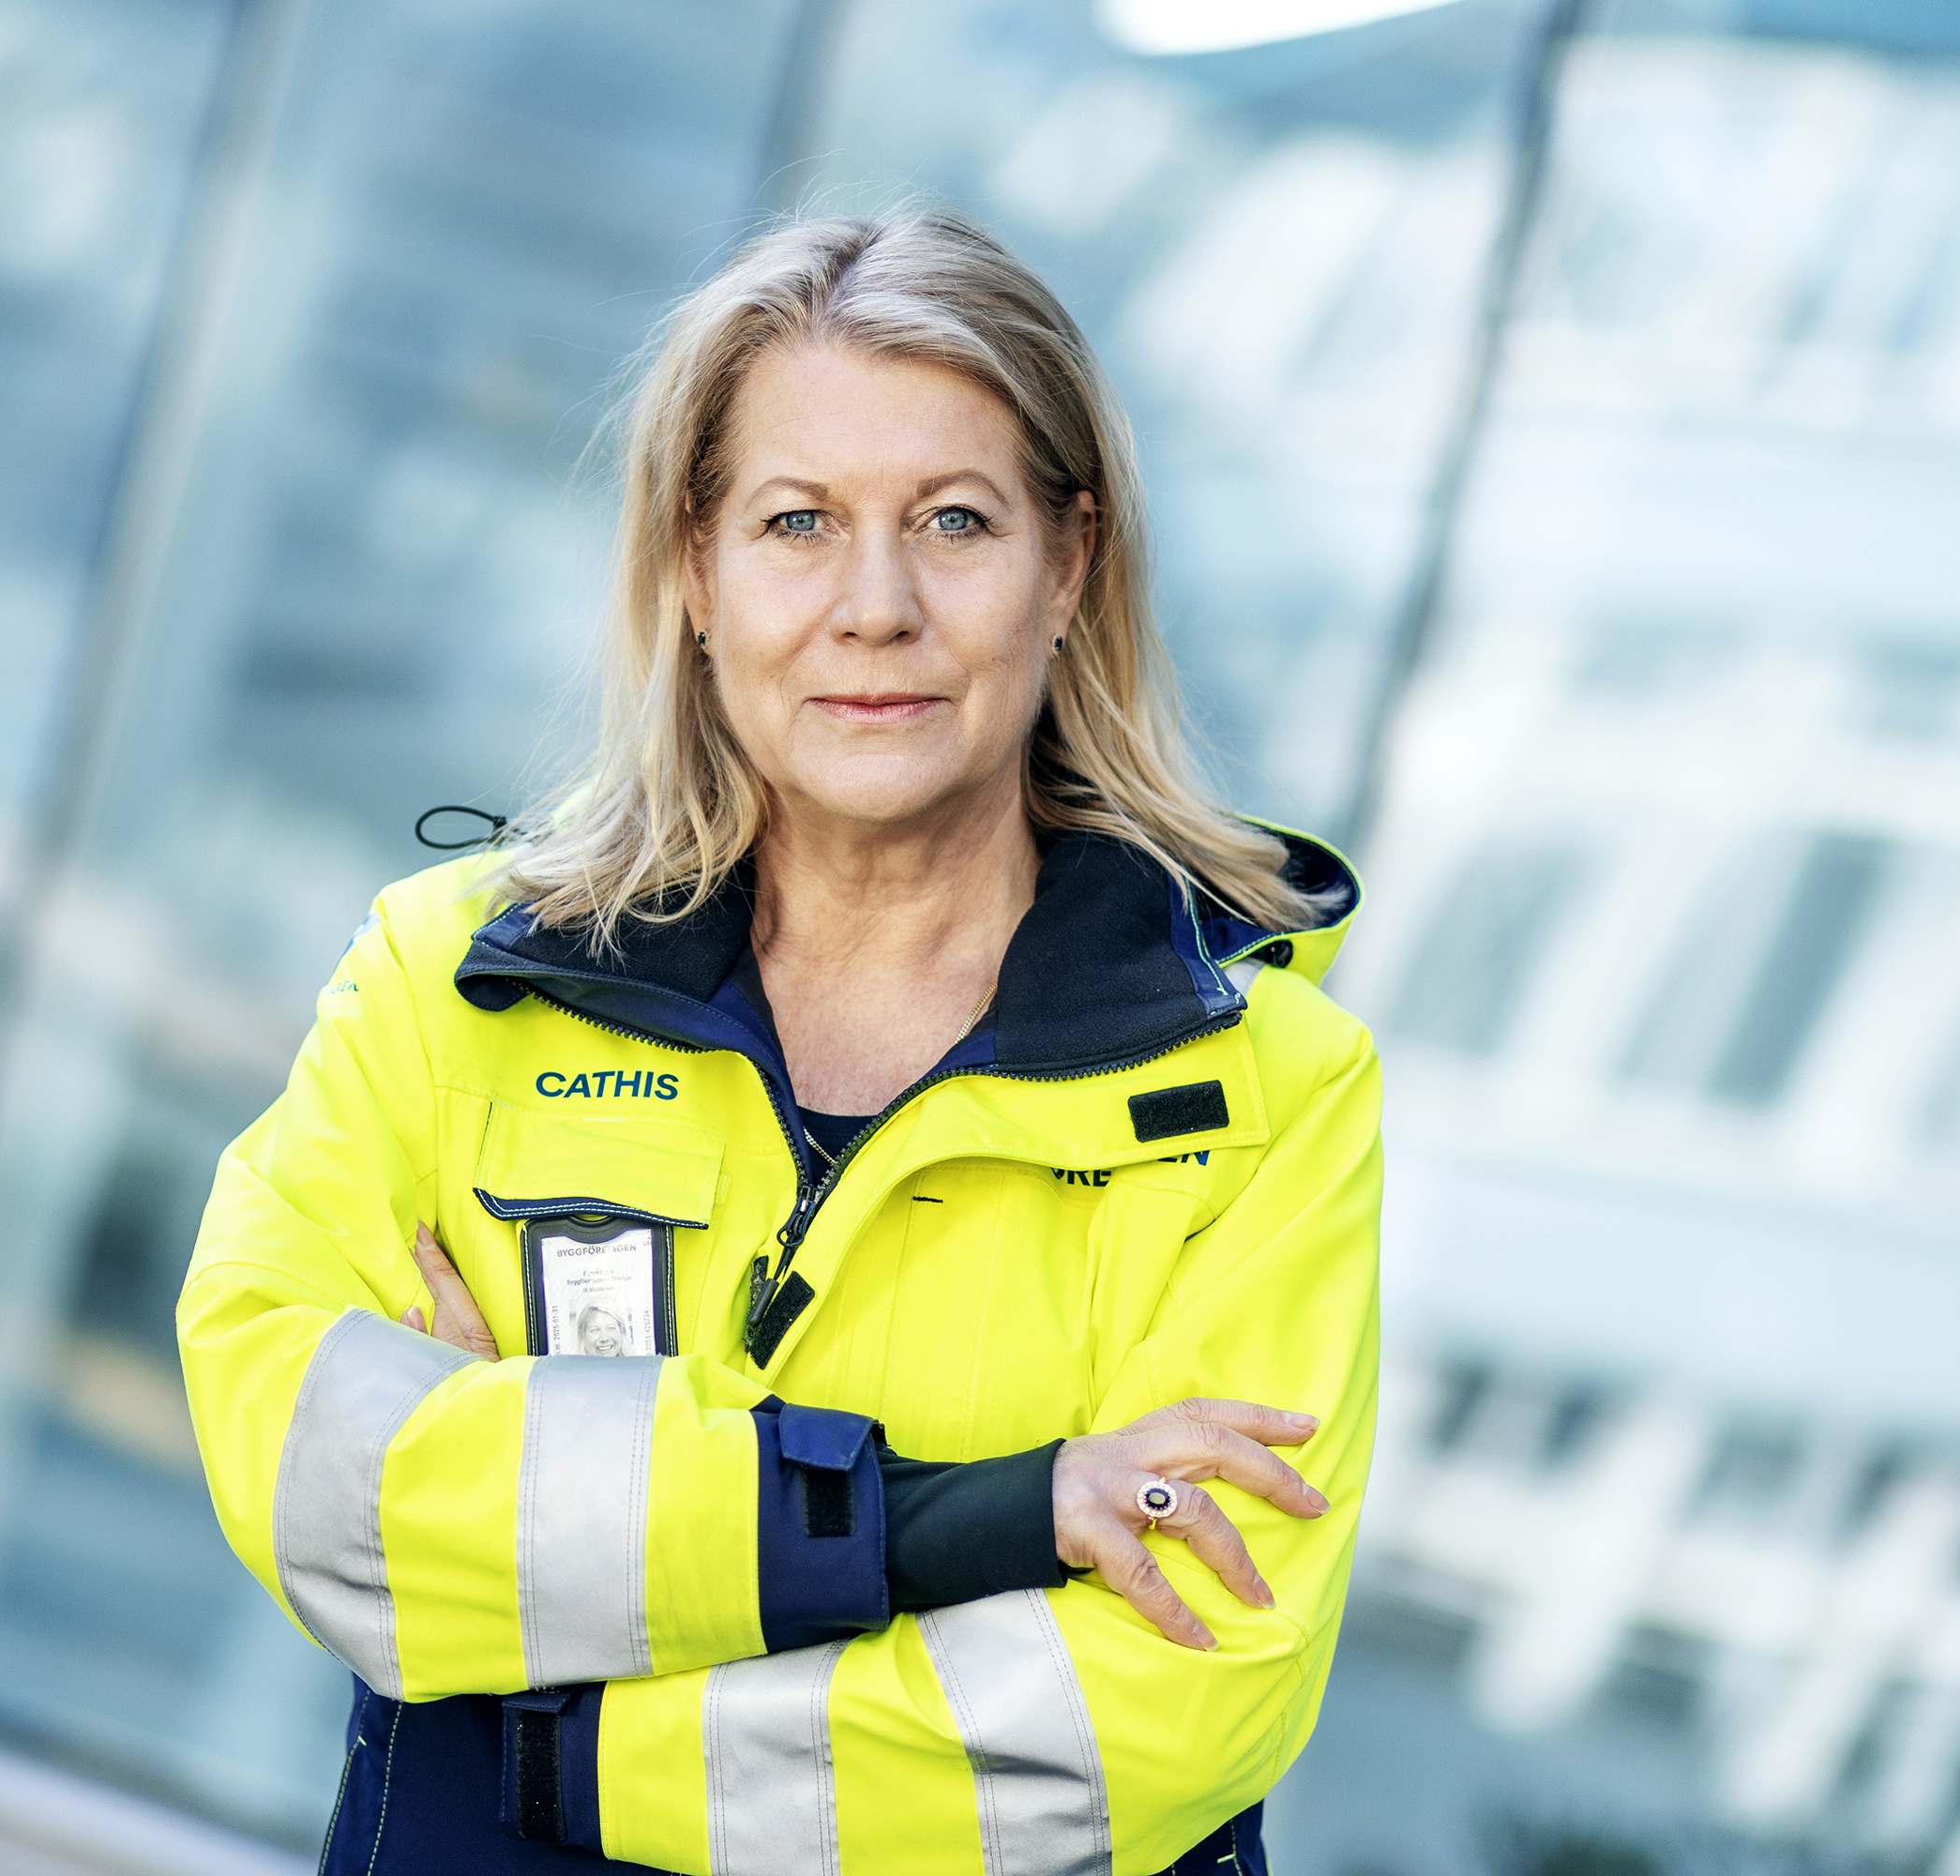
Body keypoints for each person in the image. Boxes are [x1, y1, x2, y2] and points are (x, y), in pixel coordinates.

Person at [179, 206, 1380, 1875]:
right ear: (695, 567)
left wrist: (556, 1701)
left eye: (955, 522)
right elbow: (311, 1473)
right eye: (797, 522)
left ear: (1069, 566)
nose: (875, 607)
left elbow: (1150, 1712)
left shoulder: (1271, 1096)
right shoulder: (450, 990)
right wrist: (966, 1526)